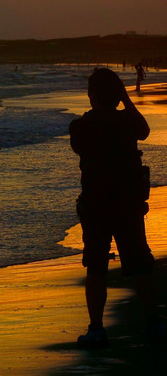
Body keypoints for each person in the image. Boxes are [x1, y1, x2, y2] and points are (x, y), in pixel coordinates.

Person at [70, 67, 163, 348]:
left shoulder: (81, 127)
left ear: (92, 95)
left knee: (96, 266)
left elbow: (80, 148)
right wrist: (127, 99)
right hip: (127, 205)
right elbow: (144, 131)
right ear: (117, 95)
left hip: (96, 206)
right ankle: (154, 324)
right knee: (140, 265)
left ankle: (97, 329)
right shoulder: (127, 123)